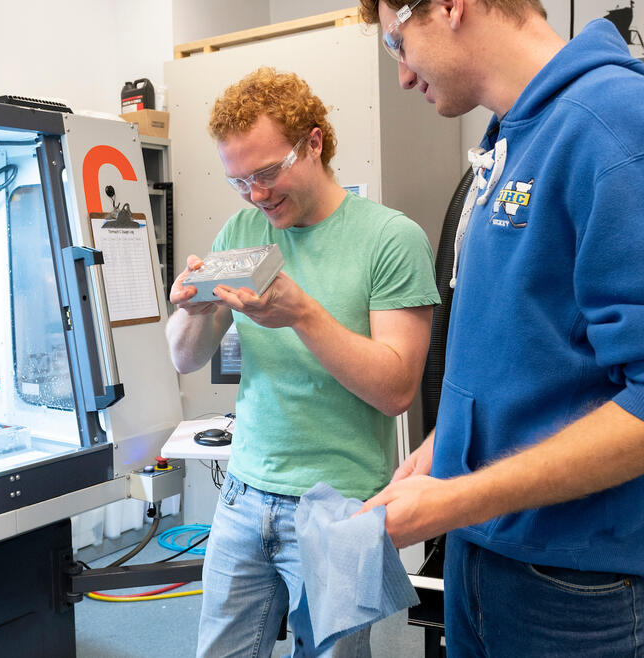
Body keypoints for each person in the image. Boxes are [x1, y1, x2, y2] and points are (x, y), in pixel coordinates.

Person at [356, 1, 644, 655]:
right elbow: (525, 344)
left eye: (398, 43)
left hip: (573, 584)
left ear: (451, 7)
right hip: (487, 549)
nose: (401, 74)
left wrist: (459, 500)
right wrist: (444, 449)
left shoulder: (620, 125)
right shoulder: (517, 136)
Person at [166, 66, 440, 657]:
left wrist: (304, 315)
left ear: (314, 142)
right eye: (240, 180)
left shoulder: (391, 239)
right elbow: (185, 358)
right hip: (242, 495)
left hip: (338, 504)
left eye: (268, 173)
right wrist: (190, 311)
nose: (257, 195)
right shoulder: (243, 230)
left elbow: (396, 390)